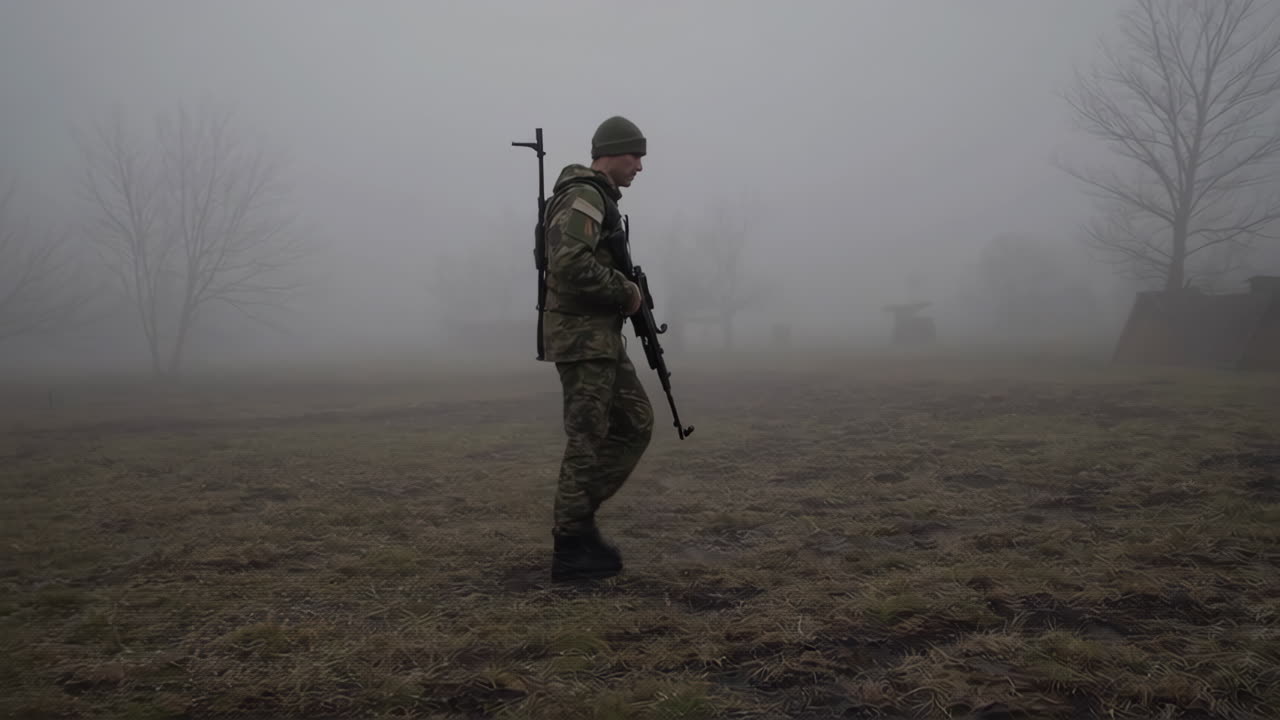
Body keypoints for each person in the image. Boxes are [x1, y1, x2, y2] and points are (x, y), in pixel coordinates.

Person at [538, 115, 654, 582]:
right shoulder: (585, 195)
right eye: (635, 156)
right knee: (587, 438)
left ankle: (578, 520)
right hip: (583, 340)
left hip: (600, 338)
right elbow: (567, 265)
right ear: (611, 152)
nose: (640, 167)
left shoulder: (598, 198)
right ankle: (571, 543)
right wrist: (624, 290)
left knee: (636, 422)